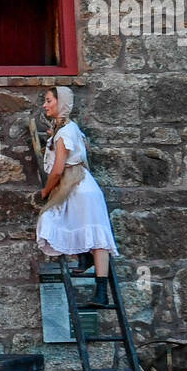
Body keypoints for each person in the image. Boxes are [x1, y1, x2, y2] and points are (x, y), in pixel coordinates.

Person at [36, 86, 119, 307]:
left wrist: (45, 192)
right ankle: (87, 260)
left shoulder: (65, 133)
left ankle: (100, 289)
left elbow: (57, 169)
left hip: (79, 188)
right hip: (80, 186)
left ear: (60, 103)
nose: (45, 105)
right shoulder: (67, 129)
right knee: (90, 231)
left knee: (57, 220)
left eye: (49, 101)